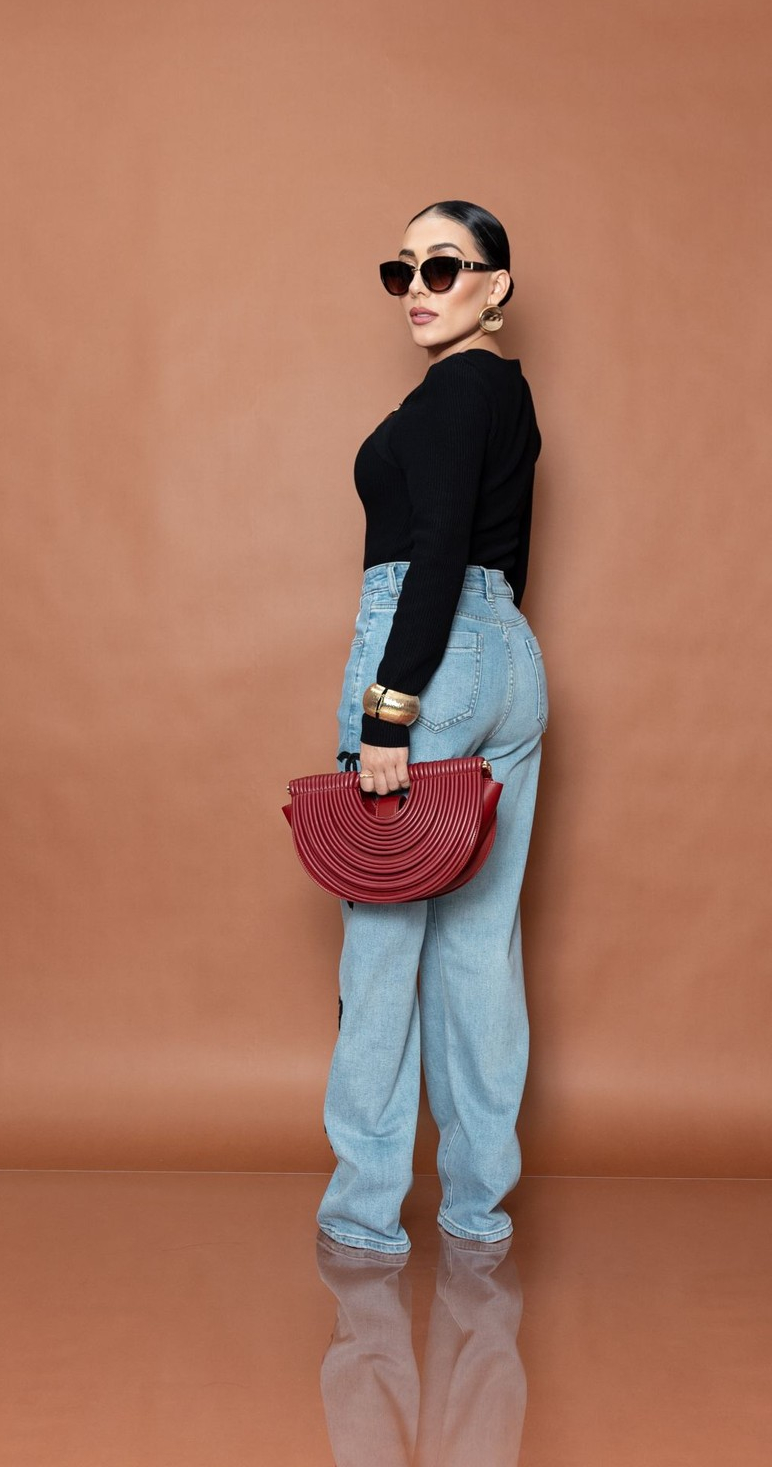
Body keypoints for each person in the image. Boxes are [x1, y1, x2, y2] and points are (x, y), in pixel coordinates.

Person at [317, 199, 548, 1257]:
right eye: (402, 269)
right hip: (507, 660)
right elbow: (502, 555)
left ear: (496, 286)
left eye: (444, 267)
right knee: (480, 947)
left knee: (380, 950)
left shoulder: (456, 390)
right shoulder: (509, 393)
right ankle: (476, 1210)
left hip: (429, 653)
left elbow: (441, 546)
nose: (417, 287)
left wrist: (393, 706)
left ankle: (365, 1217)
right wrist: (481, 664)